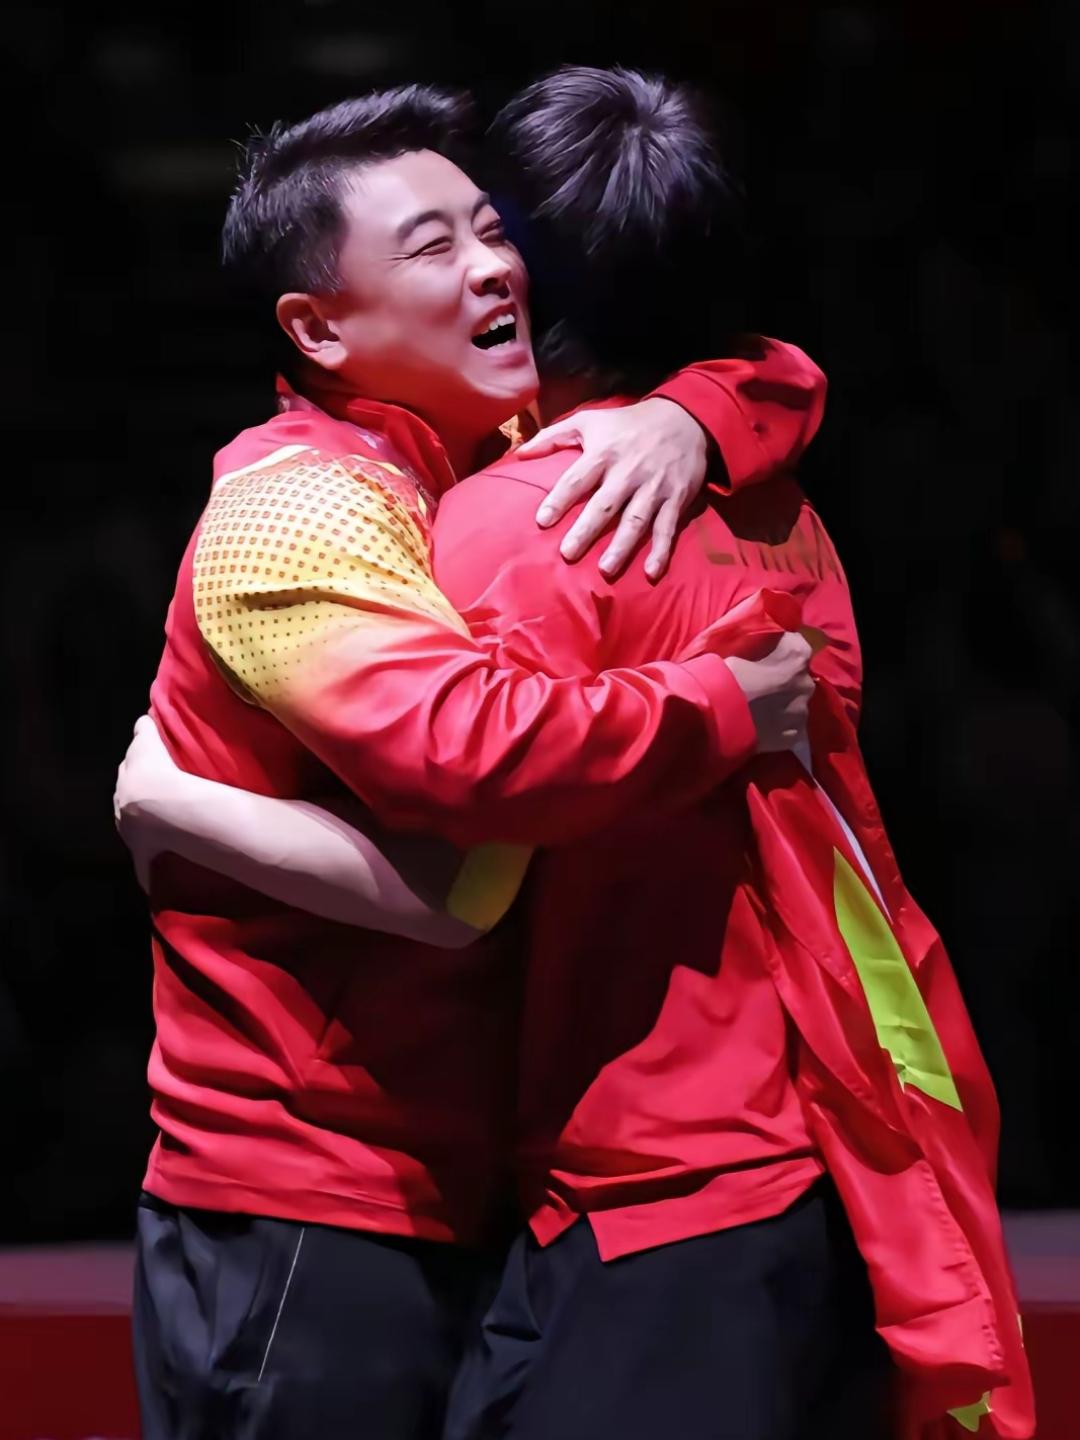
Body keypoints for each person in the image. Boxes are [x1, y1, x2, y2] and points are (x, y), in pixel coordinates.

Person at [122, 68, 1035, 1440]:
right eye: (432, 246)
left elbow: (778, 373)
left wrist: (695, 409)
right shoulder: (305, 513)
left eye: (496, 230)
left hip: (541, 1177)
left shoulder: (522, 472)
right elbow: (470, 804)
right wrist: (721, 697)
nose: (489, 265)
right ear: (317, 326)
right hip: (308, 1191)